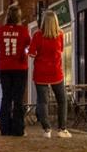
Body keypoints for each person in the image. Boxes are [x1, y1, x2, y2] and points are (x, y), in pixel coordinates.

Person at [29, 10, 71, 138]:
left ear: (44, 22)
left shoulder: (37, 35)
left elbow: (31, 53)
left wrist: (38, 54)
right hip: (56, 73)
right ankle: (62, 129)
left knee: (42, 101)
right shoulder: (60, 35)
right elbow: (61, 50)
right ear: (56, 22)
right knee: (62, 100)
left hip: (41, 73)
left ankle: (47, 130)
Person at [0, 4, 30, 137]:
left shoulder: (0, 30)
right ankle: (18, 129)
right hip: (20, 67)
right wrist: (23, 52)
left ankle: (4, 128)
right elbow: (28, 45)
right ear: (19, 17)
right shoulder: (24, 31)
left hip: (4, 67)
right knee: (18, 99)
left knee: (6, 98)